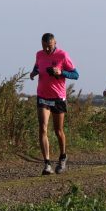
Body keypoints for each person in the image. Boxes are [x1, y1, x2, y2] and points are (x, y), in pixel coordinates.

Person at [30, 33, 79, 175]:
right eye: (44, 46)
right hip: (43, 96)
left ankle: (63, 157)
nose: (46, 49)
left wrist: (61, 72)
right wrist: (33, 73)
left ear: (55, 43)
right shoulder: (39, 54)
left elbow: (76, 75)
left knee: (58, 131)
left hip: (58, 97)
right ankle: (47, 164)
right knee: (43, 128)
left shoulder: (63, 55)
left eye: (49, 46)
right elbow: (37, 67)